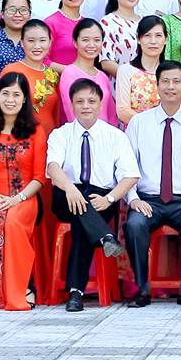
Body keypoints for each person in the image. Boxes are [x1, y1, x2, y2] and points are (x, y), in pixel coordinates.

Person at [122, 61, 181, 307]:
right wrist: (133, 199)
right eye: (165, 81)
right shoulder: (139, 123)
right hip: (147, 200)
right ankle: (142, 289)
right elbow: (127, 166)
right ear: (157, 85)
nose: (170, 87)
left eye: (176, 81)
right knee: (134, 225)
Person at [45, 77, 137, 311]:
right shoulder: (61, 134)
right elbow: (53, 168)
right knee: (80, 209)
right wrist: (71, 189)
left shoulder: (115, 136)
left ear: (100, 103)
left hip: (102, 199)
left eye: (91, 101)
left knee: (82, 224)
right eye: (80, 101)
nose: (86, 106)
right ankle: (106, 237)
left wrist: (110, 199)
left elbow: (130, 176)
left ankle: (75, 293)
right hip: (66, 194)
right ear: (72, 104)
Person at [0, 71, 46, 311]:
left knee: (12, 221)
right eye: (5, 94)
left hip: (25, 199)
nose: (10, 99)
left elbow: (39, 178)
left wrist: (17, 198)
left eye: (16, 94)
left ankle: (19, 290)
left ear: (24, 100)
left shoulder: (36, 131)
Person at [59, 19, 119, 126]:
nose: (91, 45)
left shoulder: (103, 76)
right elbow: (71, 113)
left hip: (106, 135)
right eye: (85, 40)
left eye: (97, 40)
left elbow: (111, 116)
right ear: (75, 43)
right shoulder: (70, 73)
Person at [116, 15, 170, 122]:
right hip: (136, 129)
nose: (153, 41)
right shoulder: (126, 70)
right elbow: (123, 111)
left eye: (158, 35)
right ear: (138, 39)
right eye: (147, 35)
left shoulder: (171, 72)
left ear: (166, 39)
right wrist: (152, 124)